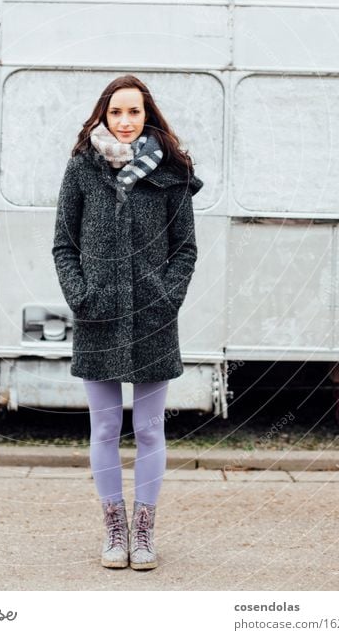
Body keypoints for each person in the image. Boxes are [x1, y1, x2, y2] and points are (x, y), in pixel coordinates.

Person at [52, 74, 203, 570]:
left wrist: (167, 296)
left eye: (134, 112)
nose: (124, 121)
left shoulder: (170, 173)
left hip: (154, 318)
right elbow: (63, 245)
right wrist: (81, 295)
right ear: (102, 115)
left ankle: (143, 533)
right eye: (116, 112)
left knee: (151, 430)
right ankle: (113, 529)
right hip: (98, 316)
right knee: (104, 428)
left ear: (147, 116)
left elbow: (185, 249)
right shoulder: (81, 170)